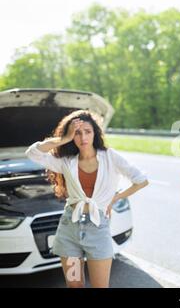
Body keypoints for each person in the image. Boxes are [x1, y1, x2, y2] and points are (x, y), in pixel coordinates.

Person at [26, 110, 149, 288]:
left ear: (95, 133)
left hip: (98, 229)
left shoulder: (110, 157)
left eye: (87, 131)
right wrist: (62, 140)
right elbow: (32, 153)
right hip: (70, 229)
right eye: (77, 132)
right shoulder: (66, 161)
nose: (83, 137)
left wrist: (115, 198)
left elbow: (141, 180)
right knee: (74, 286)